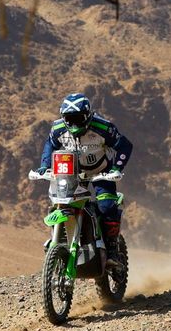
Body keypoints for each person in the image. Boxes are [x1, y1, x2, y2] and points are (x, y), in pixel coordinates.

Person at [38, 93, 133, 243]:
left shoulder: (103, 127)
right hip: (73, 174)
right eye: (70, 119)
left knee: (107, 207)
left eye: (79, 118)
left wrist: (116, 169)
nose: (74, 124)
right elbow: (50, 144)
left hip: (101, 172)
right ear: (64, 118)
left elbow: (125, 146)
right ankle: (58, 241)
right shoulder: (58, 128)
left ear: (88, 115)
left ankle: (112, 249)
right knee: (59, 203)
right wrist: (44, 166)